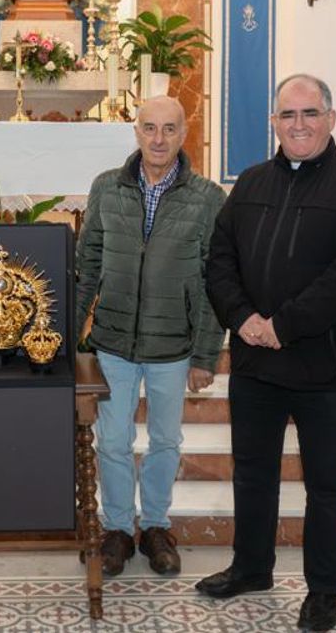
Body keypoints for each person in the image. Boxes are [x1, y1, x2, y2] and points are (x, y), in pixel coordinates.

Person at [199, 74, 336, 633]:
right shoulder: (252, 182)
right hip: (257, 363)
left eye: (310, 113)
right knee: (252, 474)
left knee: (325, 487)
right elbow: (219, 260)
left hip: (325, 366)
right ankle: (252, 567)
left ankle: (324, 589)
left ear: (331, 119)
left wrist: (284, 324)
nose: (299, 125)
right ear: (274, 123)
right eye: (288, 115)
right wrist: (244, 320)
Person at [75, 95, 226, 577]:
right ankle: (118, 529)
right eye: (149, 128)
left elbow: (214, 281)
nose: (158, 139)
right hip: (113, 341)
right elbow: (87, 267)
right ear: (135, 132)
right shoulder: (106, 187)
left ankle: (156, 526)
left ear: (184, 134)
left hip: (173, 346)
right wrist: (67, 341)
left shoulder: (207, 198)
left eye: (168, 129)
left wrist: (206, 355)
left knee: (165, 440)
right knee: (112, 441)